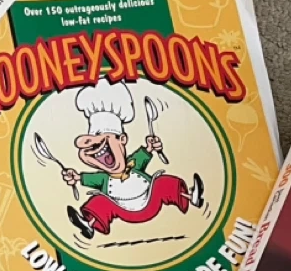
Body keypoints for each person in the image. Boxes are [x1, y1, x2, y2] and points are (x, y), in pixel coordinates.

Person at [61, 79, 203, 239]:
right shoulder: (103, 178)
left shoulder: (133, 163)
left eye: (103, 136)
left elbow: (145, 153)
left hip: (150, 202)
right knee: (99, 201)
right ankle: (89, 224)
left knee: (162, 183)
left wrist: (151, 146)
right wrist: (75, 177)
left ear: (122, 139)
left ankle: (191, 197)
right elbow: (83, 178)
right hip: (123, 211)